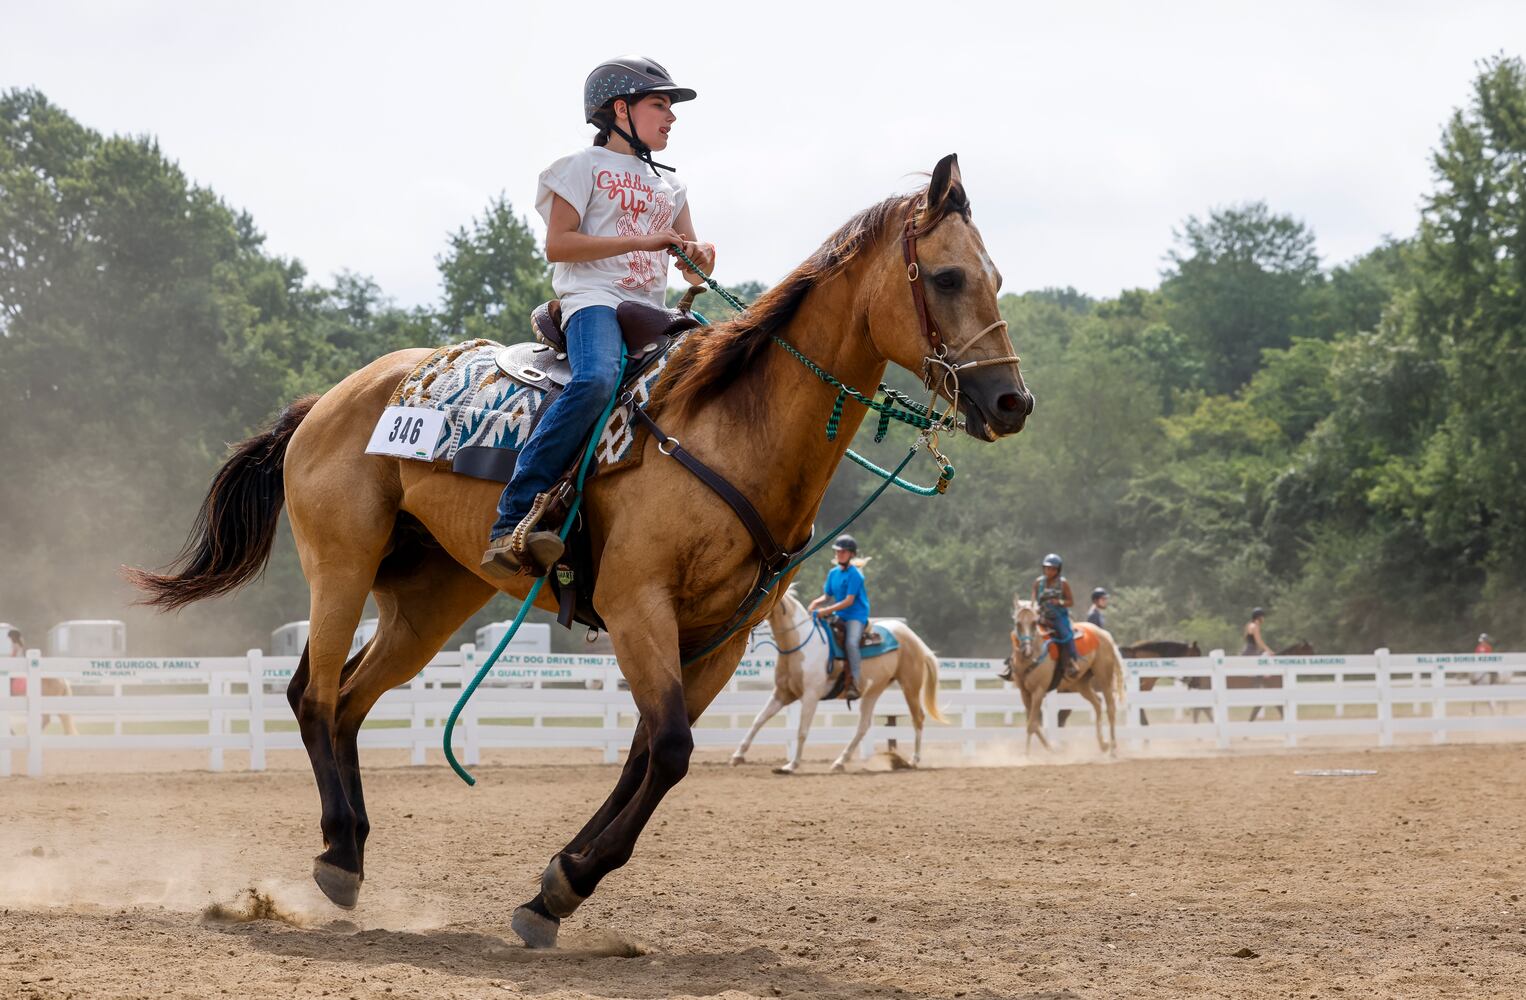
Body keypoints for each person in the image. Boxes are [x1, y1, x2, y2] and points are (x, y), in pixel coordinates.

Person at [481, 56, 716, 578]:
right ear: (619, 109)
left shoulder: (671, 188)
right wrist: (645, 239)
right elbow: (558, 245)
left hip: (652, 312)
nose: (671, 116)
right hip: (593, 301)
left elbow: (692, 274)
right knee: (596, 380)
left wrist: (701, 261)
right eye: (660, 104)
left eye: (671, 107)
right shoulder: (579, 168)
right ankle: (512, 518)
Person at [807, 535, 871, 700]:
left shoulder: (855, 575)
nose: (839, 554)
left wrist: (826, 611)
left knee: (851, 643)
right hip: (839, 613)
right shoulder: (833, 573)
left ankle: (854, 681)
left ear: (851, 554)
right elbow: (827, 596)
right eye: (837, 551)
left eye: (843, 552)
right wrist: (814, 603)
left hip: (856, 615)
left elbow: (849, 601)